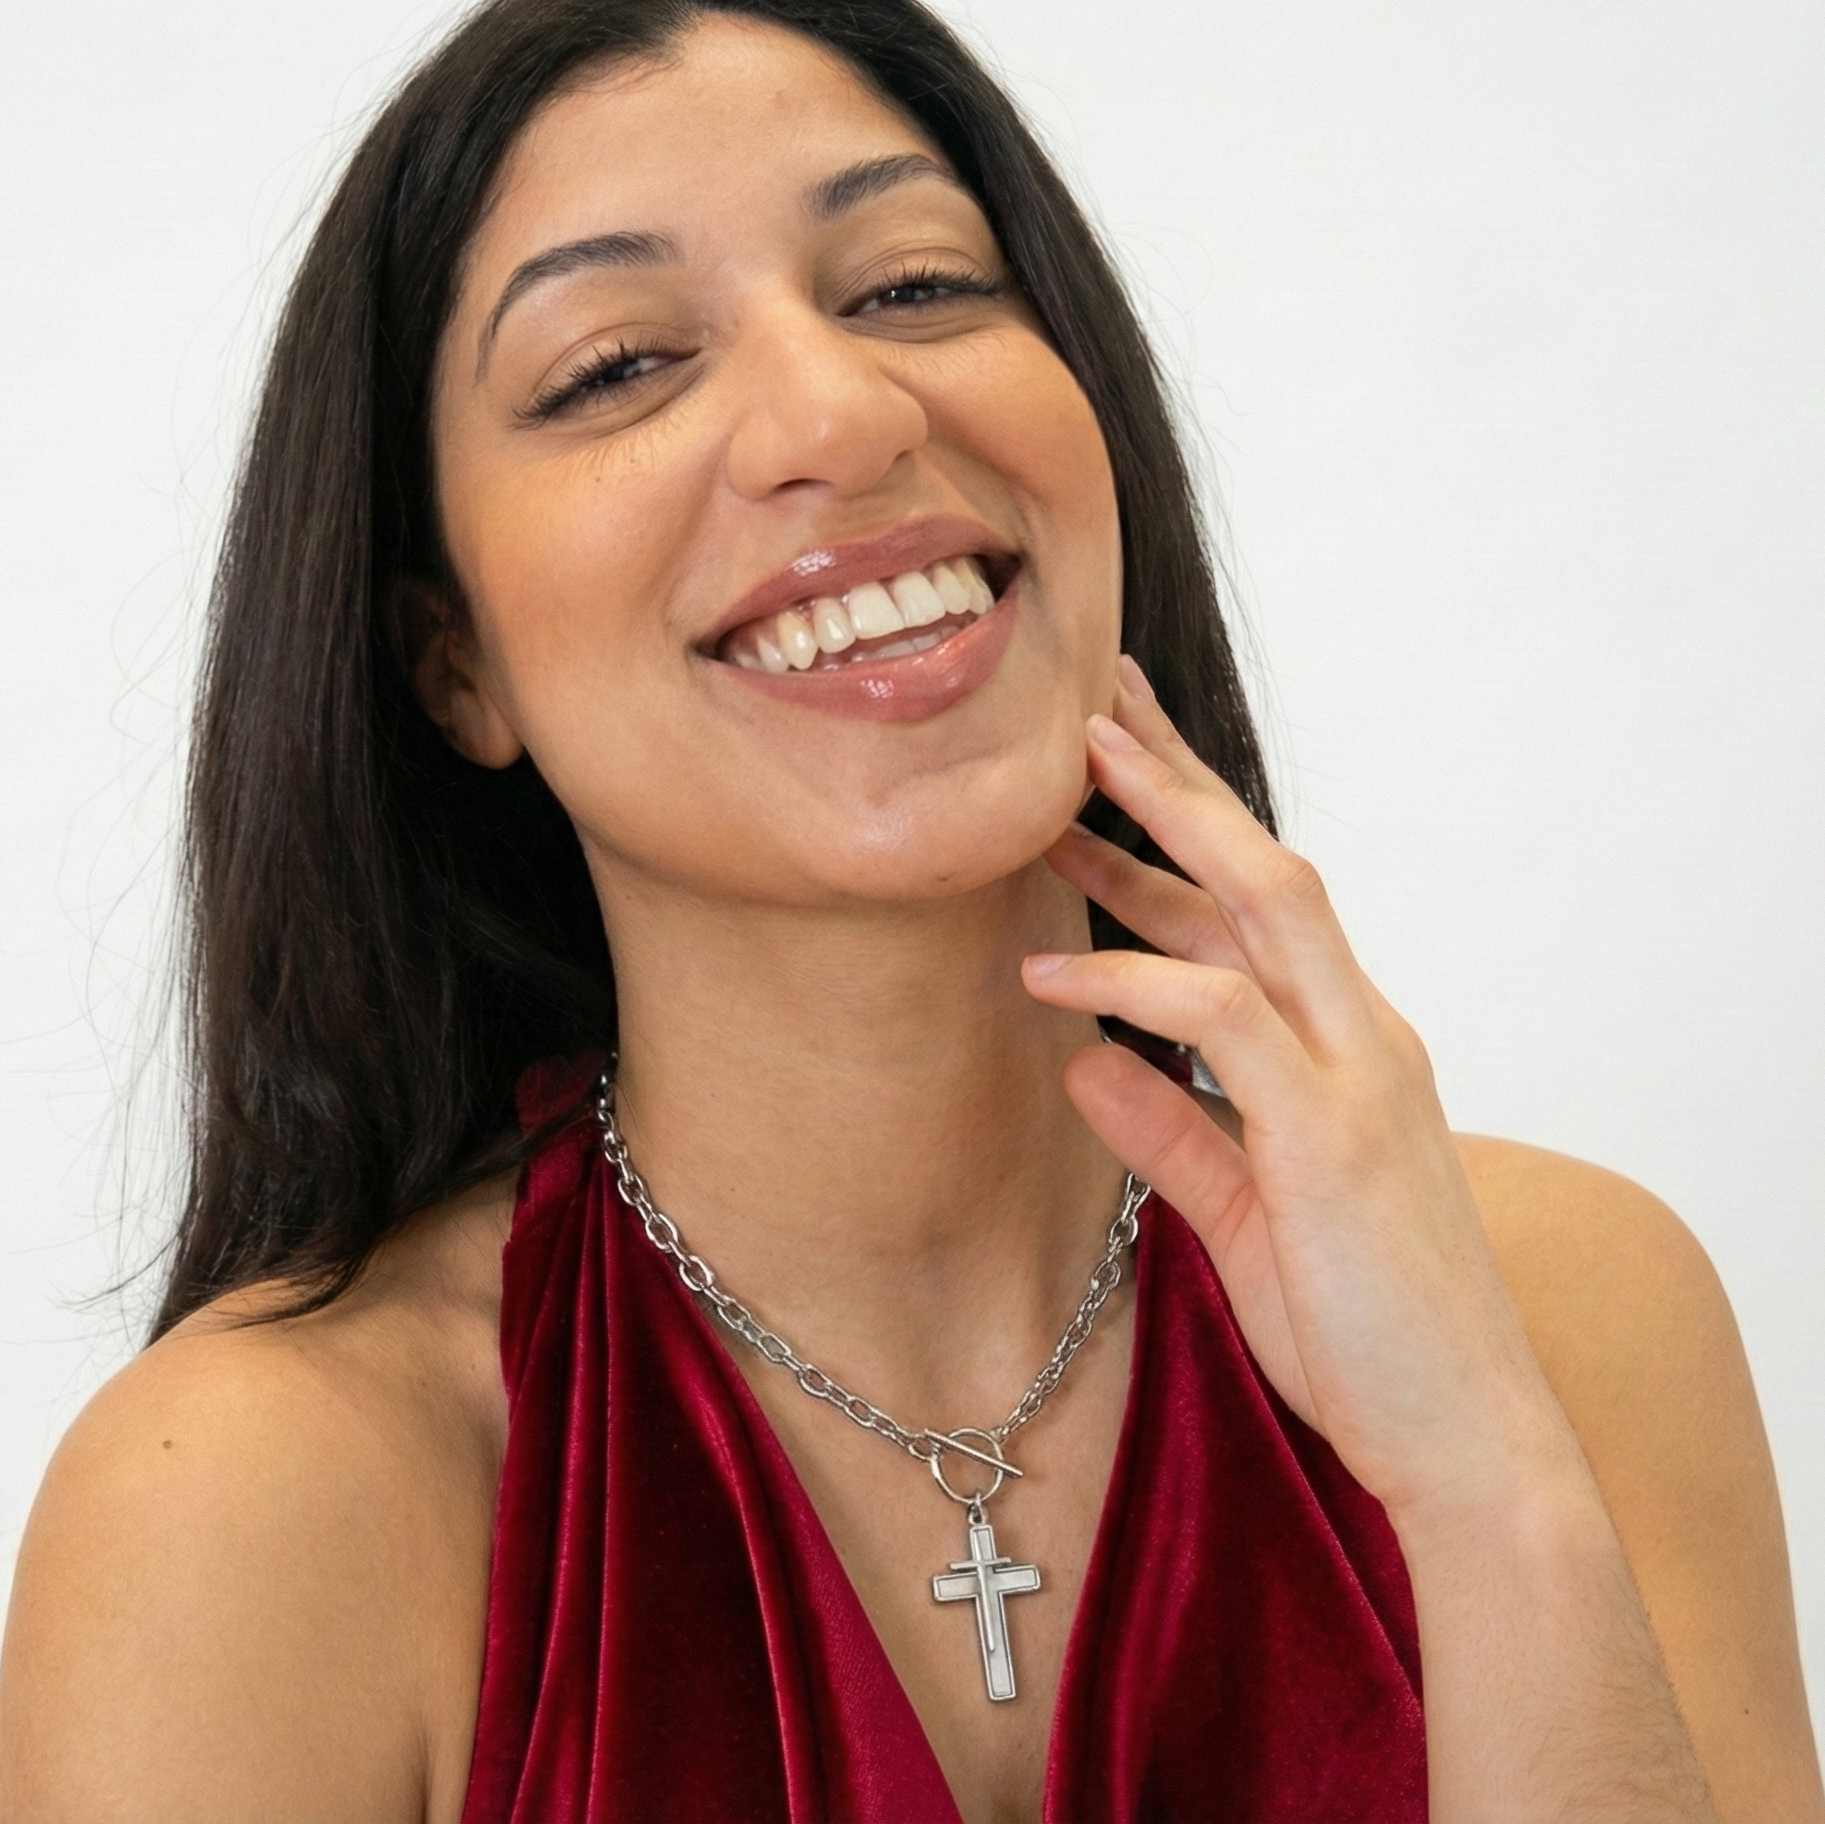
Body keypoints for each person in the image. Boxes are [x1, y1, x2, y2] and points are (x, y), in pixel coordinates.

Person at [0, 0, 1818, 1818]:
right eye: (619, 362)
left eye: (914, 287)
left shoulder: (1568, 1315)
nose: (840, 414)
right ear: (451, 660)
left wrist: (1487, 1486)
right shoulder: (257, 1504)